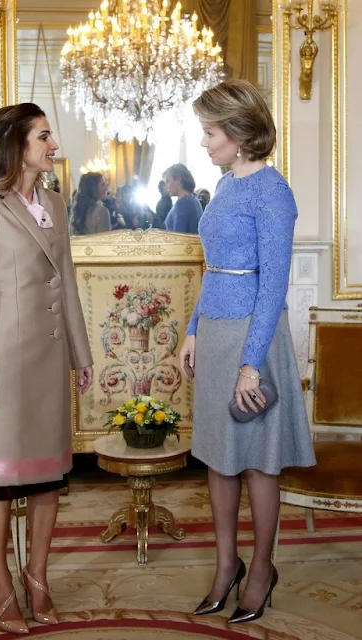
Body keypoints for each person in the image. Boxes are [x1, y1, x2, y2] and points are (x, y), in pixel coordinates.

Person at [179, 80, 315, 625]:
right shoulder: (224, 185)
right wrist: (192, 328)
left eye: (210, 133)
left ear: (238, 134)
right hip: (214, 334)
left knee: (257, 461)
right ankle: (224, 565)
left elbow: (273, 285)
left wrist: (250, 363)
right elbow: (212, 267)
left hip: (254, 339)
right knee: (218, 457)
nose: (205, 144)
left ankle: (261, 567)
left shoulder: (273, 192)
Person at [0, 103, 94, 634]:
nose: (52, 144)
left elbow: (69, 286)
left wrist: (80, 356)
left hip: (50, 360)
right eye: (42, 136)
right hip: (3, 362)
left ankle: (37, 577)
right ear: (15, 143)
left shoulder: (57, 205)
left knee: (47, 478)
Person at [163, 163, 203, 234]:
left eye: (168, 181)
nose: (166, 186)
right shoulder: (194, 200)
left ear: (179, 179)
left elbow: (178, 238)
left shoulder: (182, 204)